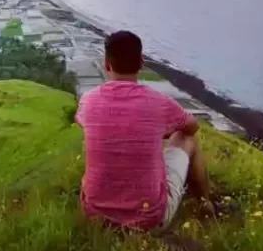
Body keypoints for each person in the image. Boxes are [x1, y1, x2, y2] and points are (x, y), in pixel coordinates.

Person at [75, 30, 211, 230]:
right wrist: (161, 131)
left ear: (106, 63)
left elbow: (81, 123)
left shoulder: (88, 100)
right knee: (186, 139)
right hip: (149, 218)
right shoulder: (159, 102)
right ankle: (205, 204)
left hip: (95, 217)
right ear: (141, 62)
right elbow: (192, 127)